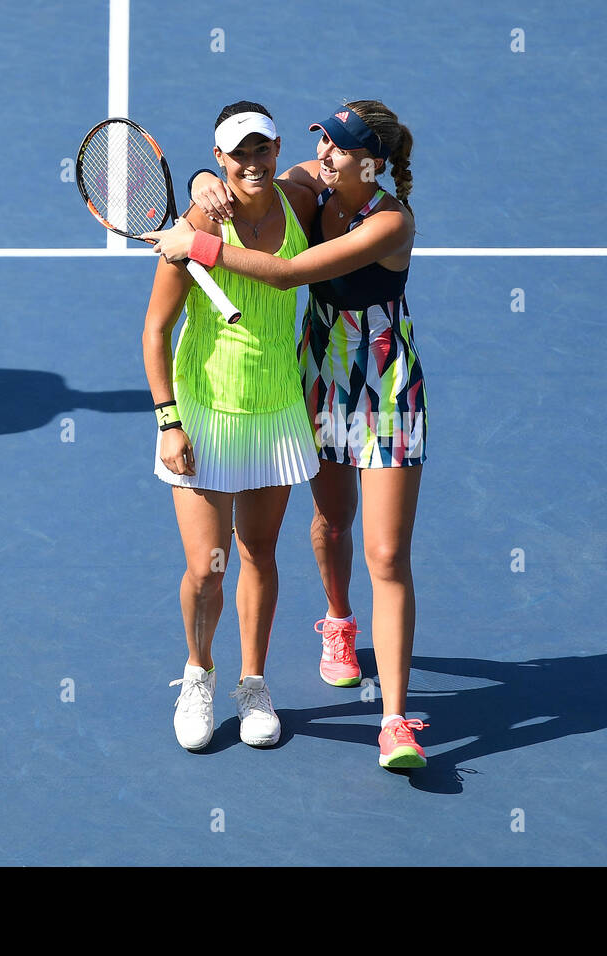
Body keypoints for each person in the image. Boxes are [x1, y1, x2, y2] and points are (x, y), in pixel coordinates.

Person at [148, 100, 429, 770]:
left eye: (335, 146)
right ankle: (307, 635)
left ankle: (366, 712)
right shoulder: (308, 185)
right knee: (314, 528)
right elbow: (246, 183)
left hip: (372, 386)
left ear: (372, 161)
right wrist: (196, 186)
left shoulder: (382, 218)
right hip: (299, 382)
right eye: (322, 142)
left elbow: (289, 273)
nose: (321, 154)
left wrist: (200, 245)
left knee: (358, 554)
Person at [141, 101, 318, 752]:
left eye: (262, 149)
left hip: (275, 410)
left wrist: (192, 174)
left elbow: (331, 168)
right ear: (221, 159)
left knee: (260, 554)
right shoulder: (195, 224)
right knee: (207, 568)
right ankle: (199, 672)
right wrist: (169, 423)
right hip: (204, 414)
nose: (252, 162)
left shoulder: (298, 199)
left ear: (276, 150)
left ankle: (254, 681)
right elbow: (154, 332)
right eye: (237, 154)